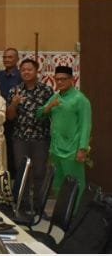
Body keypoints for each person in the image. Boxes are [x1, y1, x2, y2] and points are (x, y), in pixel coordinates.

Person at [5, 58, 54, 210]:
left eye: (29, 69)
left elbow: (52, 114)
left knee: (40, 173)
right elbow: (10, 117)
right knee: (22, 172)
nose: (26, 72)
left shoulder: (46, 91)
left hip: (40, 138)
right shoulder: (15, 91)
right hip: (20, 138)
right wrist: (14, 103)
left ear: (36, 71)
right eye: (23, 70)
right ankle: (23, 204)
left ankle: (39, 207)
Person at [38, 66, 92, 201]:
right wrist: (50, 106)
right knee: (58, 184)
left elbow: (86, 125)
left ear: (72, 79)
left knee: (75, 185)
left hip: (73, 150)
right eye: (57, 79)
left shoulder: (80, 99)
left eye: (63, 79)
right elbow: (39, 115)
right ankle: (61, 212)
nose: (60, 82)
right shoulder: (55, 97)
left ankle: (75, 213)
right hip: (56, 149)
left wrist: (82, 149)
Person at [0, 47, 22, 178]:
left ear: (17, 59)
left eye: (10, 57)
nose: (6, 59)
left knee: (14, 154)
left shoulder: (21, 76)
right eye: (4, 57)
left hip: (15, 121)